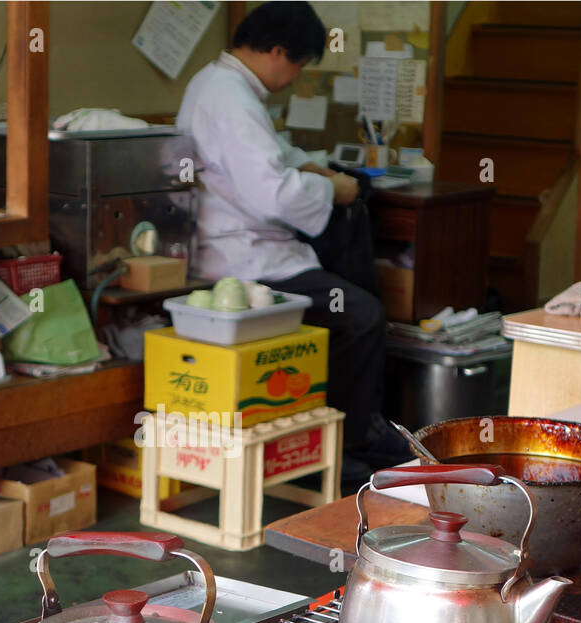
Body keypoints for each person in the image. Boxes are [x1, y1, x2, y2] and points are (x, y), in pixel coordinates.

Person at [176, 1, 412, 475]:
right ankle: (349, 441)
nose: (297, 76)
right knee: (361, 313)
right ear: (279, 52)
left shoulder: (218, 84)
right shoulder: (232, 98)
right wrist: (334, 188)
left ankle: (346, 430)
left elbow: (274, 155)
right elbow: (273, 194)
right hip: (243, 258)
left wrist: (311, 166)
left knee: (352, 298)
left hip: (242, 245)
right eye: (301, 65)